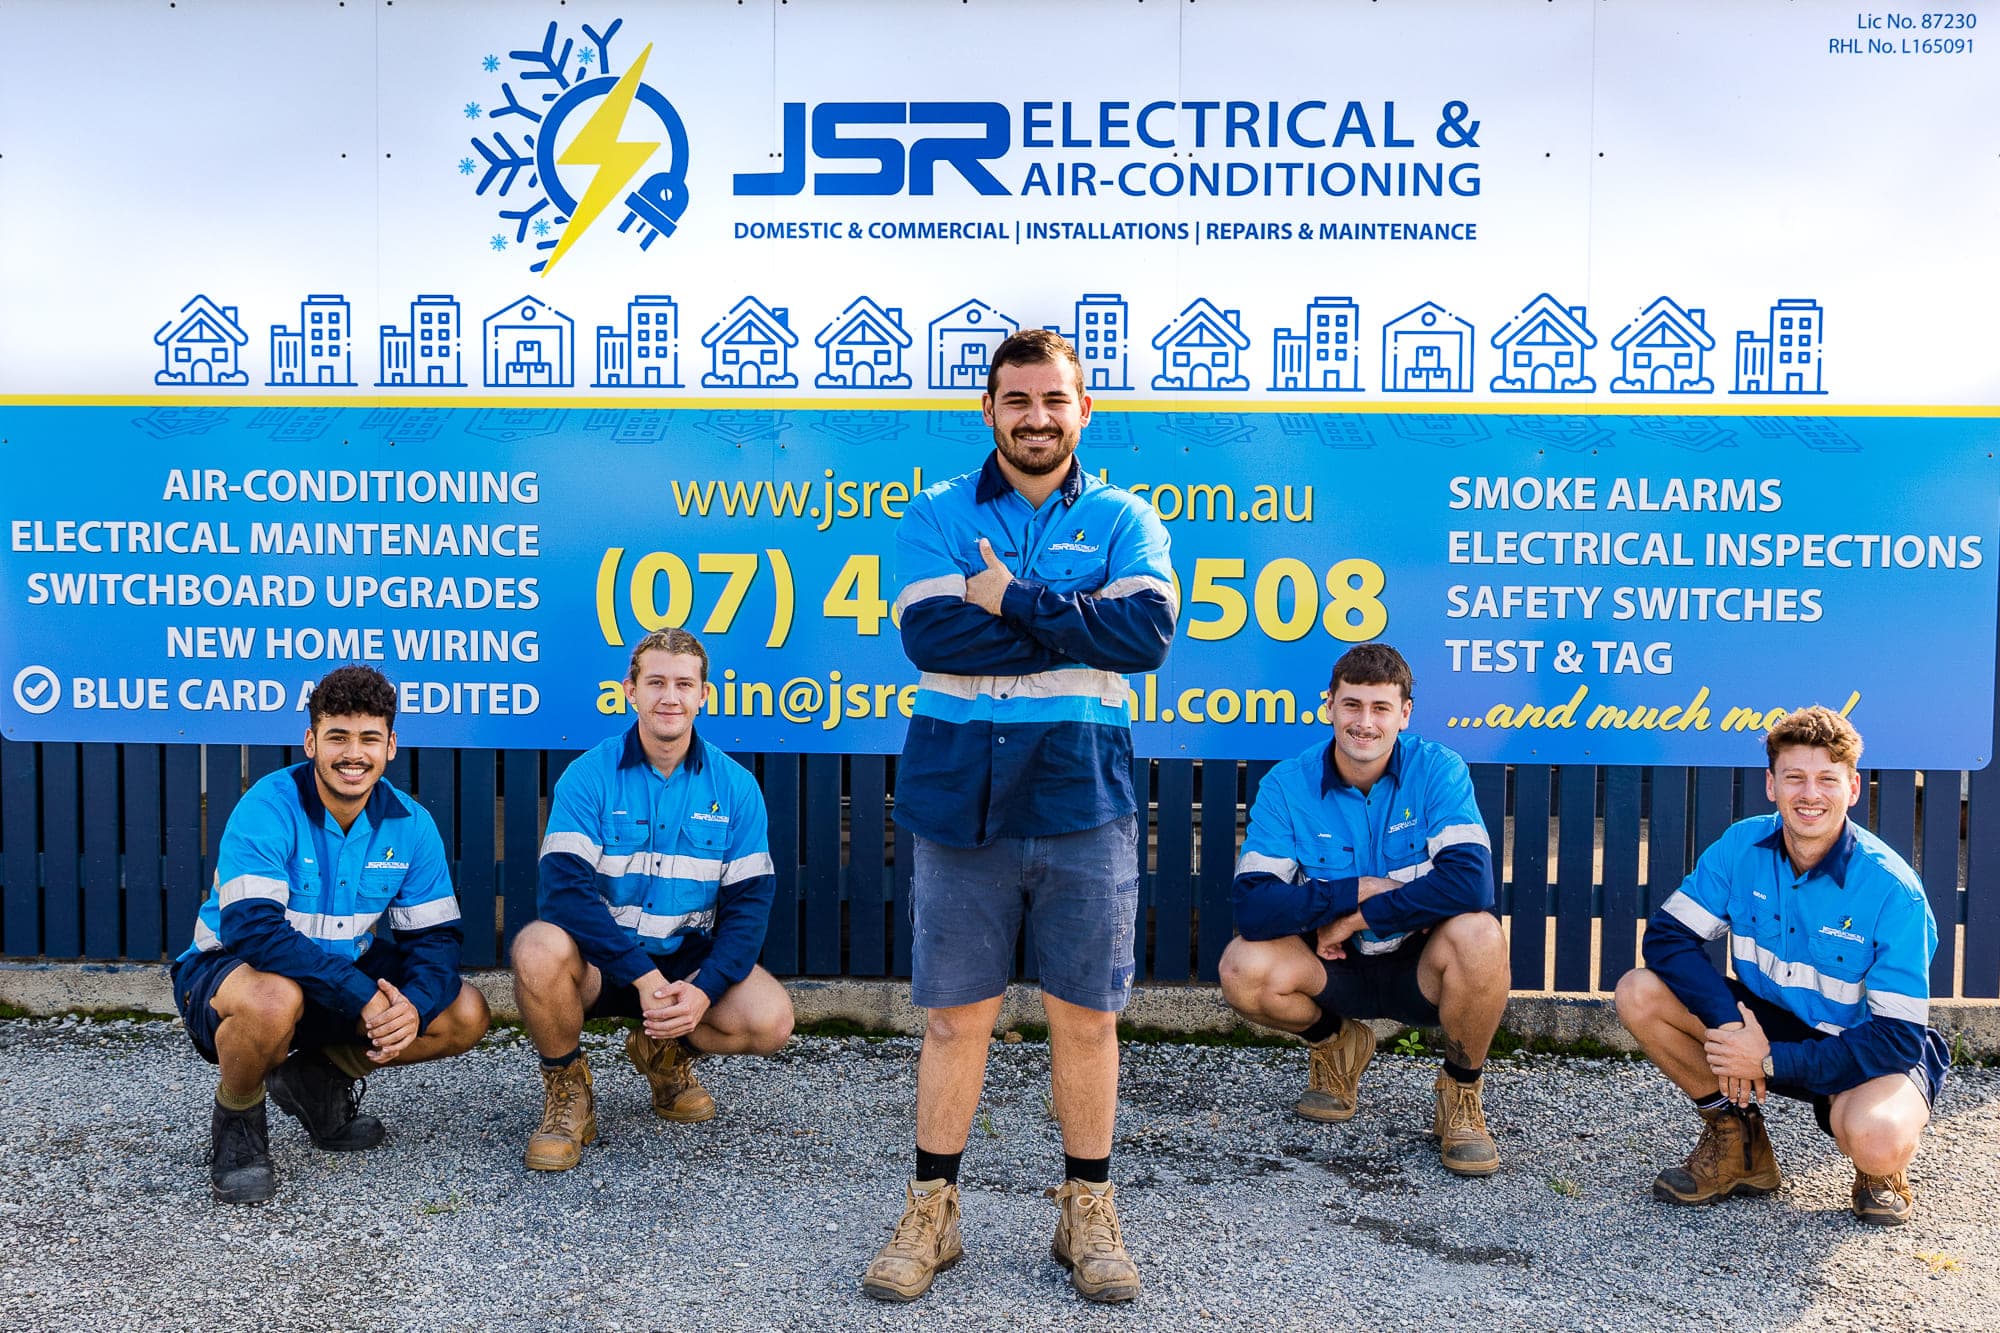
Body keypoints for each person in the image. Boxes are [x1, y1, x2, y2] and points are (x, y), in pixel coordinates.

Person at [861, 329, 1176, 1304]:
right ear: (988, 410)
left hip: (1082, 793)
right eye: (1017, 400)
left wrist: (1005, 595)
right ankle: (932, 1210)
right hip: (961, 791)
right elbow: (930, 632)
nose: (1036, 417)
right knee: (957, 1022)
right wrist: (1060, 611)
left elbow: (1144, 634)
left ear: (1083, 411)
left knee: (1085, 1018)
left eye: (1054, 400)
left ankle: (1084, 1209)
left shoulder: (1127, 517)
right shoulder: (934, 515)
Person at [1615, 706, 1948, 1225]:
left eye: (1825, 779)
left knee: (1876, 1139)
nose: (1809, 794)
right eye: (1794, 777)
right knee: (1640, 991)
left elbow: (1899, 1038)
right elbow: (1668, 937)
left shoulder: (1892, 890)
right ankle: (1738, 1144)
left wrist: (1767, 1061)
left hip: (1862, 1047)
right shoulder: (1741, 845)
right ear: (1771, 785)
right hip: (1767, 1022)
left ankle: (1877, 1171)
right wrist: (1733, 1030)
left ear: (1853, 788)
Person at [170, 664, 490, 1204]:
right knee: (275, 1000)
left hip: (336, 973)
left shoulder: (412, 823)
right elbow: (253, 931)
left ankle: (314, 1081)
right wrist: (362, 995)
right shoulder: (268, 805)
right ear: (311, 740)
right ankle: (239, 1119)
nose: (352, 753)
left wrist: (410, 1006)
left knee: (465, 1013)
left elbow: (435, 940)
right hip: (234, 971)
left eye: (369, 738)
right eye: (337, 736)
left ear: (390, 745)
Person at [1219, 642, 1507, 1176]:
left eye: (1380, 708)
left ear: (1405, 713)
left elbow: (1472, 885)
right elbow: (1254, 907)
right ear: (1329, 706)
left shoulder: (1439, 769)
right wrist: (1353, 891)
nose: (1364, 723)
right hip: (1333, 968)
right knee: (1243, 967)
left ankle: (1461, 1094)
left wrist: (1364, 914)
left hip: (1421, 969)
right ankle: (1337, 1042)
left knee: (1481, 935)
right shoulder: (1287, 785)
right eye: (1351, 705)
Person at [512, 627, 793, 1171]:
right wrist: (643, 977)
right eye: (656, 682)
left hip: (684, 960)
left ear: (704, 696)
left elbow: (749, 910)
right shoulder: (587, 776)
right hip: (600, 960)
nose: (670, 696)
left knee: (771, 1020)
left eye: (684, 684)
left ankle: (664, 1054)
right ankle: (567, 1092)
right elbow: (564, 894)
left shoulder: (736, 788)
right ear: (630, 691)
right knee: (536, 948)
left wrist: (704, 990)